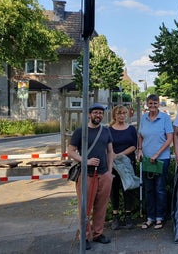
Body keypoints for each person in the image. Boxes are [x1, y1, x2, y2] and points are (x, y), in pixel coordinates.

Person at [68, 103, 115, 250]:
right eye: (95, 113)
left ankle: (98, 233)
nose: (98, 115)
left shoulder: (106, 131)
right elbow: (71, 151)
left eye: (100, 113)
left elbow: (110, 151)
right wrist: (85, 161)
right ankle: (85, 236)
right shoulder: (80, 131)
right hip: (86, 176)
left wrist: (109, 171)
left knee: (101, 206)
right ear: (89, 115)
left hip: (104, 175)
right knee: (85, 207)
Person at [137, 94, 173, 230]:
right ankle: (149, 217)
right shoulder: (144, 118)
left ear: (159, 104)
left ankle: (160, 217)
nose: (153, 106)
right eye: (150, 104)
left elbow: (169, 139)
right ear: (147, 104)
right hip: (146, 159)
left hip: (161, 159)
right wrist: (140, 150)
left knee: (160, 188)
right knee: (148, 189)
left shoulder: (165, 118)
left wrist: (157, 154)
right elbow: (140, 135)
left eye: (155, 103)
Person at [108, 105, 137, 230]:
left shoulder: (131, 129)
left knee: (128, 188)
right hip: (113, 164)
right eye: (119, 113)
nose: (122, 116)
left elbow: (134, 145)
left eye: (124, 113)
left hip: (128, 163)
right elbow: (106, 145)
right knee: (114, 190)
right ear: (114, 115)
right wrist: (112, 155)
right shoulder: (109, 130)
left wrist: (119, 155)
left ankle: (128, 215)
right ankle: (115, 216)